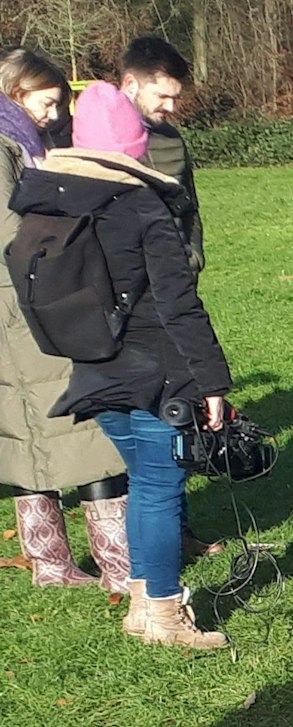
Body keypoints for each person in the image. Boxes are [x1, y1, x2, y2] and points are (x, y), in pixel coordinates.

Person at [11, 82, 230, 648]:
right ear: (133, 145)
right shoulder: (140, 205)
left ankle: (140, 600)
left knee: (143, 483)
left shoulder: (47, 200)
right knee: (161, 487)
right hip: (157, 369)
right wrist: (212, 382)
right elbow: (179, 302)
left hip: (90, 367)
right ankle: (163, 613)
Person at [1, 48, 131, 590]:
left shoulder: (28, 141)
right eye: (46, 103)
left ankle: (51, 562)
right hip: (25, 297)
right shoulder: (7, 145)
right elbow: (12, 228)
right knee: (69, 422)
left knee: (33, 422)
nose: (54, 115)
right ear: (16, 92)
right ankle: (112, 564)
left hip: (35, 292)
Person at [119, 38, 201, 270]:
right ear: (130, 84)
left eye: (174, 98)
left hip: (174, 280)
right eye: (161, 96)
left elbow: (189, 207)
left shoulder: (171, 139)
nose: (170, 107)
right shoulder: (88, 137)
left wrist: (192, 259)